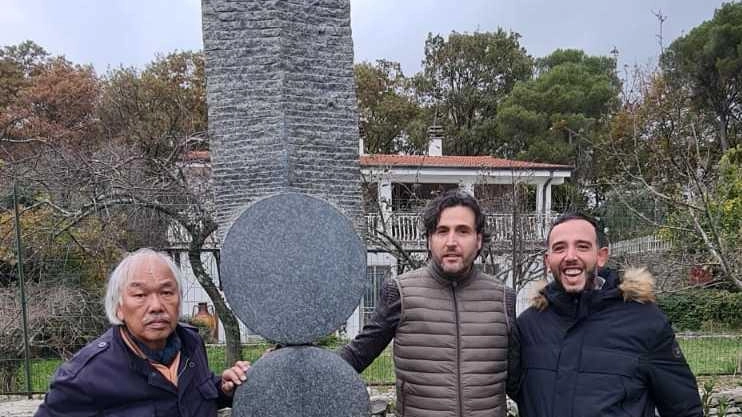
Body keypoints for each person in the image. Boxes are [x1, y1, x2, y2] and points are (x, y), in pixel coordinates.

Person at [339, 189, 515, 417]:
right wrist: (300, 369)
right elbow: (356, 356)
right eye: (442, 231)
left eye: (463, 231)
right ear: (429, 240)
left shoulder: (503, 298)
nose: (451, 242)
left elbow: (521, 379)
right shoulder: (400, 292)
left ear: (478, 239)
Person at [507, 213, 703, 417]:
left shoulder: (645, 322)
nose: (570, 256)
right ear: (548, 260)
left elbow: (684, 409)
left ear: (601, 256)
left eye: (582, 246)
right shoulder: (529, 325)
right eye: (560, 248)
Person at [35, 248, 250, 417]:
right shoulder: (85, 376)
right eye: (140, 295)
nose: (156, 305)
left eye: (167, 292)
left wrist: (223, 387)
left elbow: (194, 395)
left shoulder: (191, 343)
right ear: (119, 307)